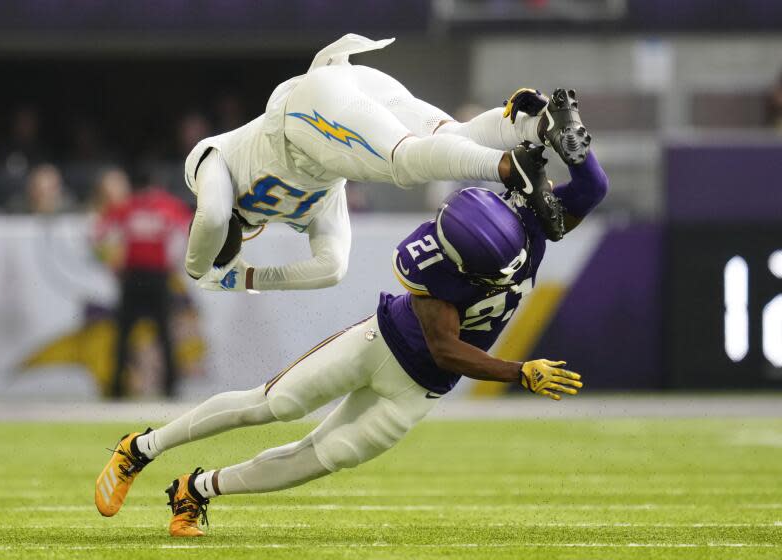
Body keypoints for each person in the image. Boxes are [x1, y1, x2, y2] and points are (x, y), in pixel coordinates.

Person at [94, 142, 609, 536]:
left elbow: (591, 190)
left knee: (325, 456)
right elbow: (444, 347)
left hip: (420, 390)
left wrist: (575, 148)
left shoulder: (528, 228)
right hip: (382, 343)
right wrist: (519, 371)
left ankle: (195, 490)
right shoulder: (430, 262)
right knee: (275, 404)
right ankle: (141, 447)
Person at [184, 33, 590, 294]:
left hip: (306, 112)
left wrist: (200, 271)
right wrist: (250, 278)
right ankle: (540, 123)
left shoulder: (210, 159)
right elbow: (332, 268)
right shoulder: (313, 202)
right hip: (342, 92)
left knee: (404, 161)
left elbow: (214, 217)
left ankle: (508, 167)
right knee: (451, 137)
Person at [95, 178, 192, 398]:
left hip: (134, 277)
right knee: (163, 333)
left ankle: (118, 388)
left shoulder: (128, 206)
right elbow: (190, 229)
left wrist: (111, 262)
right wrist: (177, 263)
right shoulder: (167, 205)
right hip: (156, 277)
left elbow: (100, 231)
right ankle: (169, 388)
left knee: (125, 335)